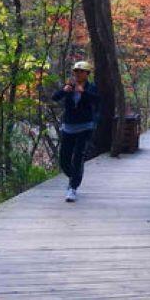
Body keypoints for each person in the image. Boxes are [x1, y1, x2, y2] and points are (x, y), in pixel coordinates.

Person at [51, 61, 100, 202]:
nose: (78, 74)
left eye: (81, 71)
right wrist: (63, 90)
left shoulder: (91, 87)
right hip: (68, 127)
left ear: (87, 74)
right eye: (76, 72)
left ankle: (72, 188)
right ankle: (75, 177)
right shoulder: (70, 86)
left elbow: (97, 101)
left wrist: (83, 93)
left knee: (78, 156)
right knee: (64, 160)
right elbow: (55, 97)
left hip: (85, 127)